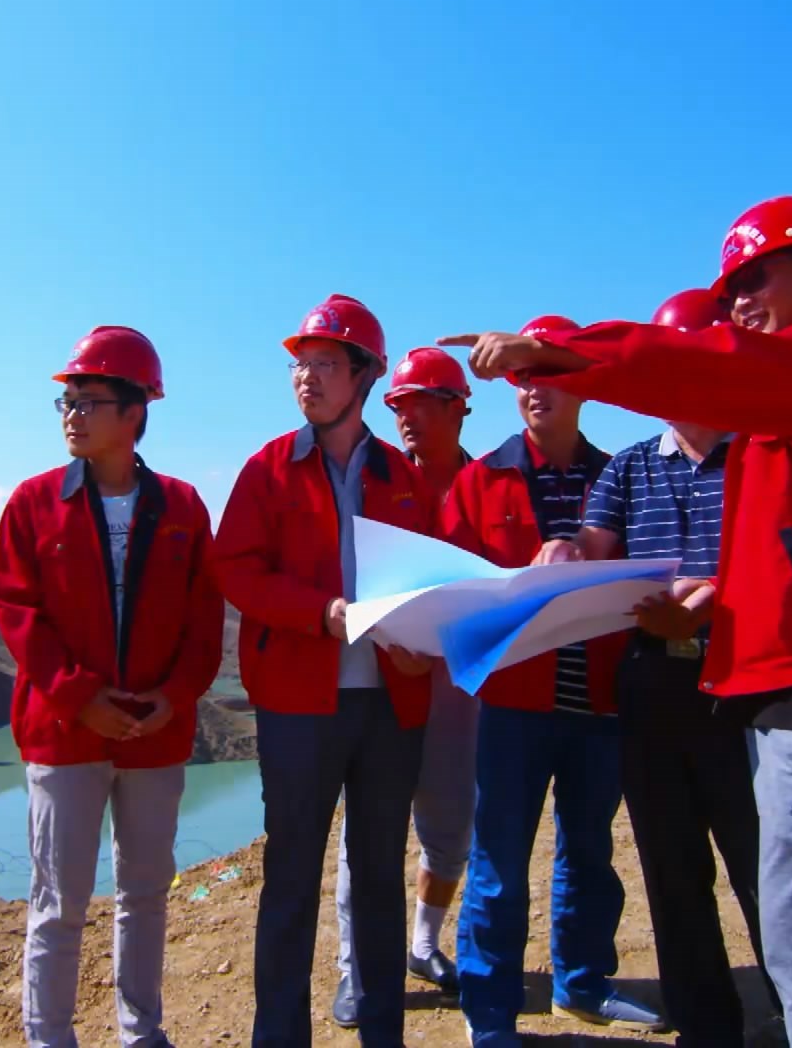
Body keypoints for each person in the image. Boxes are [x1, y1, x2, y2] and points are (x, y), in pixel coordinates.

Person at [440, 197, 792, 1048]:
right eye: (729, 287)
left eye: (756, 277)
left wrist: (561, 353)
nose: (742, 301)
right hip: (789, 694)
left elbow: (706, 369)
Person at [548, 288, 779, 1048]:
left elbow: (774, 562)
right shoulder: (630, 470)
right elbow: (594, 549)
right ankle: (707, 1027)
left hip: (741, 686)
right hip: (651, 685)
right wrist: (563, 555)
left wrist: (706, 610)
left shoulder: (760, 453)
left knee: (764, 864)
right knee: (674, 871)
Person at [0, 325, 226, 1048]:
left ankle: (139, 1030)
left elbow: (204, 617)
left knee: (145, 895)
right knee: (59, 903)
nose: (72, 415)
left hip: (155, 737)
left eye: (89, 401)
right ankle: (49, 1036)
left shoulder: (183, 508)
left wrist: (174, 697)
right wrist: (77, 694)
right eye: (66, 402)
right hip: (64, 734)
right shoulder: (33, 504)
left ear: (135, 412)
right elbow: (14, 607)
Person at [215, 294, 439, 1048]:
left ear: (366, 375)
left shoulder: (402, 477)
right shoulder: (267, 470)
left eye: (324, 363)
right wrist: (324, 613)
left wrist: (421, 642)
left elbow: (433, 582)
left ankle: (383, 1033)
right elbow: (237, 571)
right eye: (298, 365)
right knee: (290, 881)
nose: (305, 377)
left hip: (390, 707)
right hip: (299, 705)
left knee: (379, 878)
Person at [441, 316, 665, 1047]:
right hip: (513, 705)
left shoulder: (622, 476)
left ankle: (584, 983)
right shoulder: (480, 480)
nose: (535, 390)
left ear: (581, 383)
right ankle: (492, 1012)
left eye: (549, 374)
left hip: (601, 700)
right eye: (523, 379)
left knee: (590, 852)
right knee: (499, 860)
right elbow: (452, 587)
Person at [331, 346, 479, 1025]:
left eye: (420, 402)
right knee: (367, 835)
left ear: (458, 409)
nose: (406, 416)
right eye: (397, 405)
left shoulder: (489, 487)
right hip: (389, 686)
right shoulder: (380, 483)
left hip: (460, 692)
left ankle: (423, 942)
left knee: (450, 831)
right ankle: (353, 970)